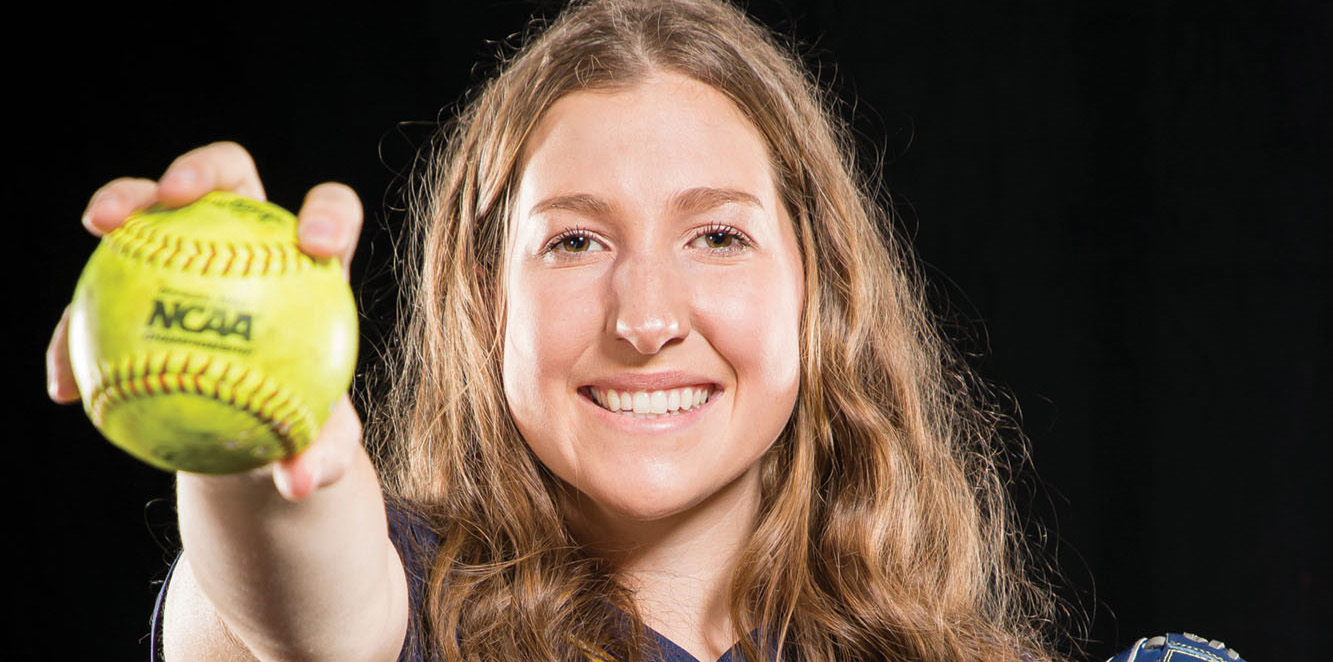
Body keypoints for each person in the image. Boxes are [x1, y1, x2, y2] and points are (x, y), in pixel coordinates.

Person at [50, 0, 1177, 659]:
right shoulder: (404, 604)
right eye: (575, 242)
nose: (644, 320)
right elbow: (285, 594)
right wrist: (259, 441)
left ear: (817, 291)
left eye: (718, 237)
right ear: (484, 301)